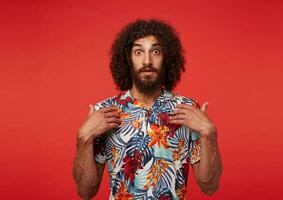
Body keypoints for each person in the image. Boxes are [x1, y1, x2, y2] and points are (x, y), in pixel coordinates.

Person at [73, 19, 222, 200]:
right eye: (138, 52)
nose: (147, 60)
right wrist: (83, 138)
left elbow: (209, 186)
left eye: (156, 51)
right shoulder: (105, 112)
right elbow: (85, 192)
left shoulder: (188, 110)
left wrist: (209, 133)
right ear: (127, 59)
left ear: (167, 58)